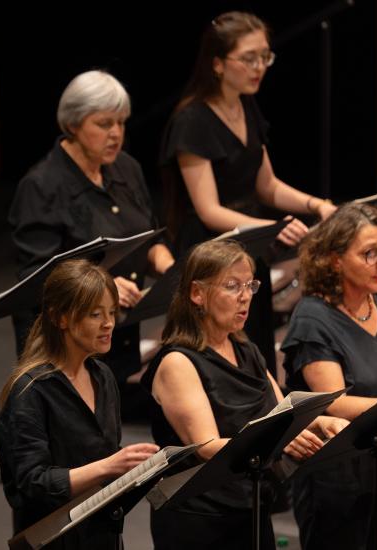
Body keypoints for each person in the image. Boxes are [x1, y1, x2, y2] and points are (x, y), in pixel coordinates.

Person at [141, 239, 347, 550]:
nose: (245, 297)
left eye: (250, 285)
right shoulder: (177, 362)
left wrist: (319, 425)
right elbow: (207, 447)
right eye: (232, 286)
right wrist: (280, 441)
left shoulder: (246, 349)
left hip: (251, 505)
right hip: (199, 520)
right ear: (197, 293)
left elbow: (282, 417)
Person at [160, 11, 336, 372]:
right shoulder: (191, 120)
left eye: (265, 57)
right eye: (250, 58)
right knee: (215, 354)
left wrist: (316, 205)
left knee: (254, 348)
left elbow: (267, 185)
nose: (260, 67)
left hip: (246, 247)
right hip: (209, 252)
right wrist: (268, 229)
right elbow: (208, 209)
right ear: (218, 64)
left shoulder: (245, 105)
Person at [8, 69, 174, 406]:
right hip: (62, 345)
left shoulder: (127, 168)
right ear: (73, 124)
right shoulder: (41, 185)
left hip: (115, 334)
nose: (116, 134)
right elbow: (36, 276)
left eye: (121, 123)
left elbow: (147, 236)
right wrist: (105, 287)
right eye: (103, 124)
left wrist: (172, 270)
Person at [0, 259, 160, 549]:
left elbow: (102, 453)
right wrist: (110, 466)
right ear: (61, 318)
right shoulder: (30, 391)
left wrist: (139, 467)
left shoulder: (102, 376)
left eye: (112, 312)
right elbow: (33, 483)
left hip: (101, 535)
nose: (109, 323)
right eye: (95, 314)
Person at [281, 203, 377, 550]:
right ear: (335, 259)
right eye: (369, 254)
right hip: (335, 475)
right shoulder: (313, 318)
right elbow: (336, 403)